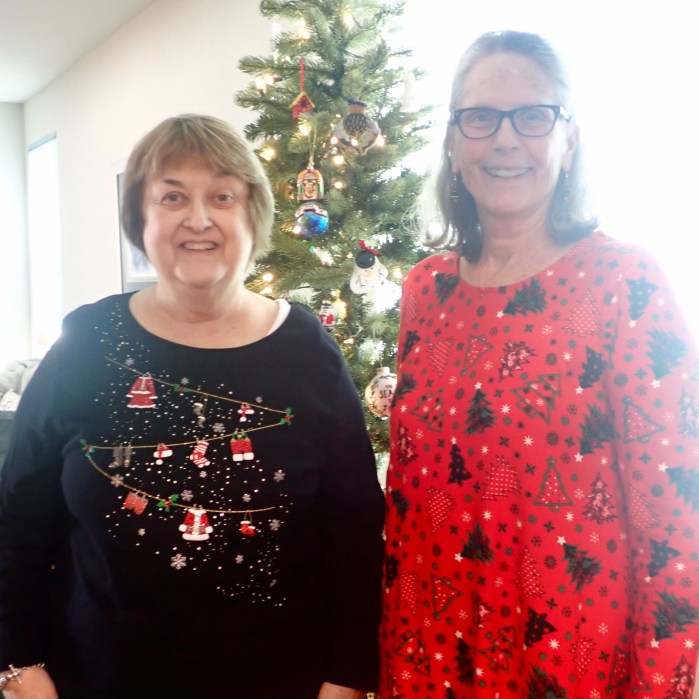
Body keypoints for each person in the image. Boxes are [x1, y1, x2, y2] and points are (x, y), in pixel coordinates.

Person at [0, 114, 385, 699]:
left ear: (252, 214)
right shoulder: (87, 343)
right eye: (172, 196)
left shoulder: (309, 353)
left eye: (222, 196)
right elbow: (18, 518)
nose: (198, 219)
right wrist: (17, 664)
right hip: (96, 679)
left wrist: (348, 677)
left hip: (281, 681)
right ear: (141, 217)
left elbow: (354, 530)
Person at [380, 30, 699, 698]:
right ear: (452, 140)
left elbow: (674, 521)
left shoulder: (625, 282)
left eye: (533, 115)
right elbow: (409, 501)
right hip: (431, 653)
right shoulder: (425, 291)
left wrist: (663, 684)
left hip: (569, 662)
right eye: (479, 117)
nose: (504, 140)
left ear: (568, 138)